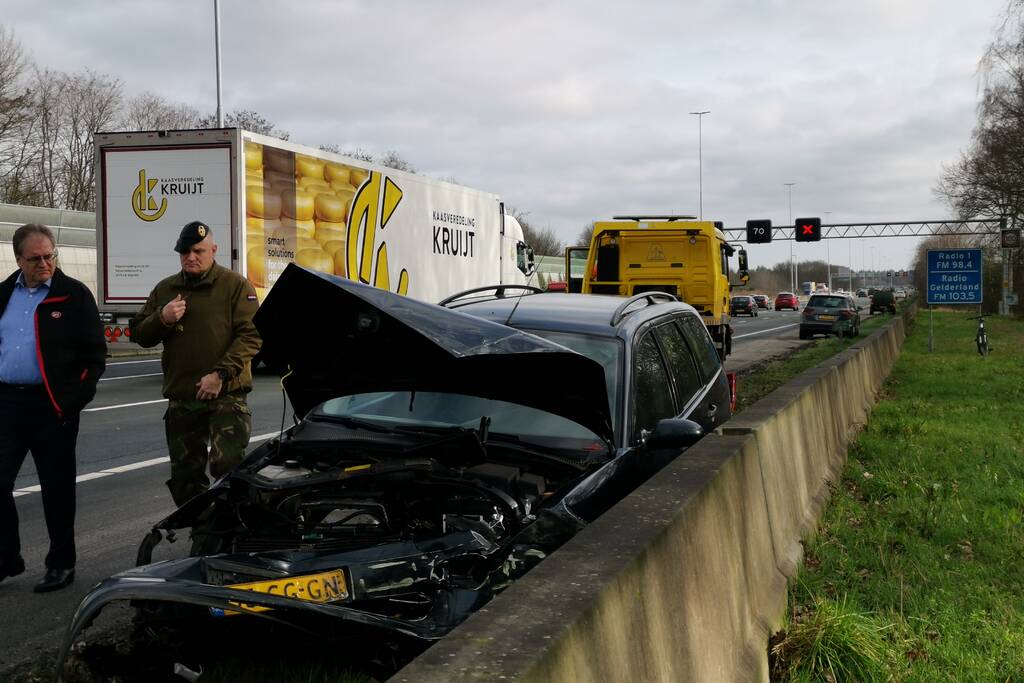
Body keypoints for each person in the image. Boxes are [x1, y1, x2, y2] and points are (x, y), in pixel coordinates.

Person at [0, 224, 105, 593]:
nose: (45, 263)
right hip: (8, 404)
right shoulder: (3, 295)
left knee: (56, 490)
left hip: (53, 406)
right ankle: (6, 557)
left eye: (49, 256)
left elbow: (95, 358)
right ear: (18, 259)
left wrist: (72, 402)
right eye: (35, 258)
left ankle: (62, 564)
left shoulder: (73, 295)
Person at [130, 221, 260, 507]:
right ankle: (202, 534)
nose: (191, 257)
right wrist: (162, 318)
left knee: (229, 469)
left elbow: (251, 336)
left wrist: (220, 374)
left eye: (199, 251)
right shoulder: (166, 288)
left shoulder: (234, 286)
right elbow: (139, 334)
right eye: (185, 251)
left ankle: (233, 534)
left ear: (213, 250)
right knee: (186, 477)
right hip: (183, 398)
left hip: (225, 396)